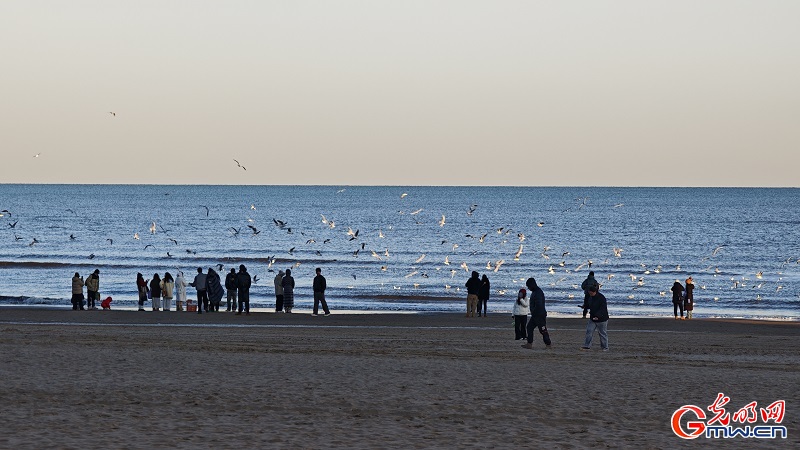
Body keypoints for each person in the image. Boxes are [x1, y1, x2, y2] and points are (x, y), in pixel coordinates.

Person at [522, 277, 551, 349]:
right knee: (529, 327)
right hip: (535, 315)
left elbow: (539, 304)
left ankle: (548, 344)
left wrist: (535, 312)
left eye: (529, 286)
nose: (528, 288)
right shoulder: (535, 292)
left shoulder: (538, 292)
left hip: (540, 315)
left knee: (543, 330)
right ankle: (529, 343)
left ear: (532, 285)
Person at [581, 284, 609, 351]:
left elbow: (603, 309)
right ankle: (587, 345)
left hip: (602, 319)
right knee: (589, 331)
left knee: (602, 333)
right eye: (589, 292)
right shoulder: (590, 297)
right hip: (592, 318)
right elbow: (589, 305)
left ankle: (605, 347)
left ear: (595, 292)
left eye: (591, 293)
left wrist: (597, 316)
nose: (590, 294)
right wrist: (585, 306)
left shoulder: (601, 298)